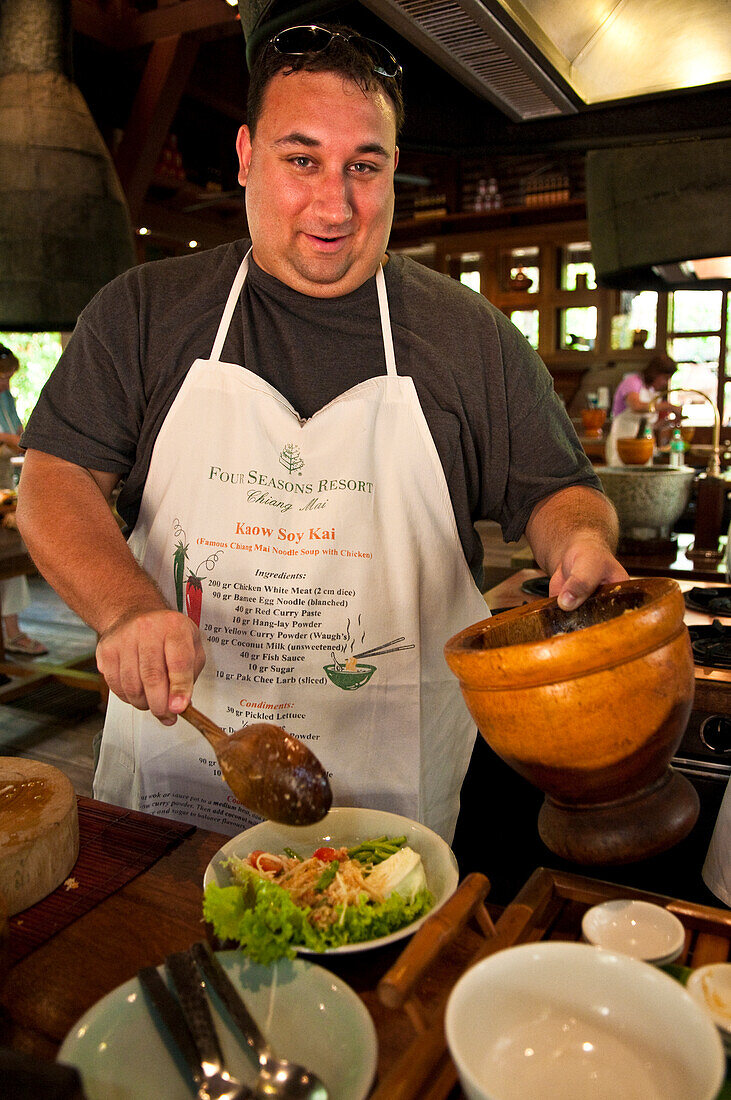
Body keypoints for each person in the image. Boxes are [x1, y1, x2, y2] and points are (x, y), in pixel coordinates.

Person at [15, 24, 626, 839]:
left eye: (362, 167)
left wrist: (578, 544)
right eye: (301, 160)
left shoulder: (466, 335)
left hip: (394, 807)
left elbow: (557, 492)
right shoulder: (144, 311)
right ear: (245, 156)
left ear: (392, 170)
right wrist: (124, 609)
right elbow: (55, 480)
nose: (334, 205)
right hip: (181, 765)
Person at [0, 345, 47, 657]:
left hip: (3, 481)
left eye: (9, 376)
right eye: (2, 376)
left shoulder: (6, 398)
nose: (6, 381)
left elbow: (17, 433)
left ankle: (12, 632)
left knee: (11, 563)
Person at [605, 354, 679, 465]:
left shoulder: (652, 391)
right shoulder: (632, 382)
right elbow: (636, 406)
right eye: (665, 378)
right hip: (623, 442)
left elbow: (650, 425)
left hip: (644, 446)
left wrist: (670, 422)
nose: (665, 383)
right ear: (655, 373)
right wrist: (668, 406)